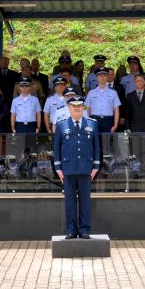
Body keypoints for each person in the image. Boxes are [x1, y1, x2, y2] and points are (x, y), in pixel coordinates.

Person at [53, 95, 100, 239]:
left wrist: (96, 166)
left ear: (83, 108)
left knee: (85, 200)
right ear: (69, 108)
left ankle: (84, 229)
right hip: (68, 168)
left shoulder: (92, 124)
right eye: (74, 106)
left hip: (86, 168)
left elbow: (96, 146)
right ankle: (71, 229)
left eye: (80, 105)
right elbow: (57, 148)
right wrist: (58, 168)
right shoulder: (61, 125)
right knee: (70, 201)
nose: (77, 108)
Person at [126, 74, 145, 176]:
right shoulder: (130, 96)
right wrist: (128, 127)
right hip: (134, 127)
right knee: (136, 149)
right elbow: (127, 113)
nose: (139, 82)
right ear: (135, 83)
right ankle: (137, 170)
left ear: (144, 82)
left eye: (141, 81)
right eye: (137, 81)